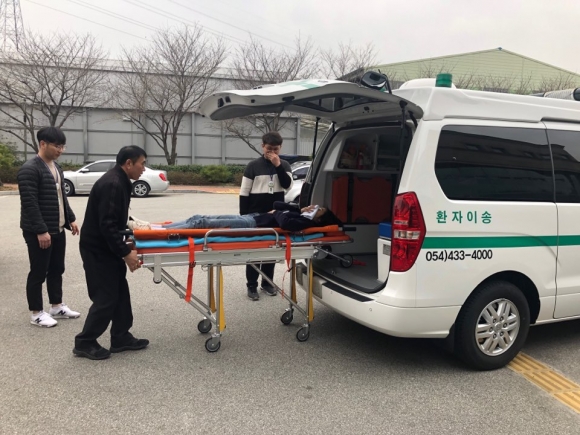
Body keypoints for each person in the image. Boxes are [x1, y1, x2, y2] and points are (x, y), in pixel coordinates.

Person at [73, 145, 149, 360]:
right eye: (142, 163)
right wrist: (126, 253)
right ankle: (85, 342)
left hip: (107, 247)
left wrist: (131, 230)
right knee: (106, 297)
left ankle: (121, 337)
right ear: (129, 163)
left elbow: (115, 218)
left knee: (120, 293)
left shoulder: (120, 180)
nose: (144, 168)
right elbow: (107, 224)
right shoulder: (113, 183)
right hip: (97, 249)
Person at [17, 126, 81, 328]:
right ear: (43, 144)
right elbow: (30, 203)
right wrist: (41, 231)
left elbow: (62, 197)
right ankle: (36, 313)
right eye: (57, 146)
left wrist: (70, 219)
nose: (60, 150)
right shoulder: (30, 169)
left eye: (63, 146)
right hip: (39, 231)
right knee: (38, 272)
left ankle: (56, 306)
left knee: (57, 269)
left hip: (57, 228)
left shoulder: (56, 167)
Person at [239, 131, 293, 300]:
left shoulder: (284, 165)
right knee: (254, 250)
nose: (272, 152)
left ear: (280, 148)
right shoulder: (253, 166)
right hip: (255, 214)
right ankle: (251, 285)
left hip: (275, 215)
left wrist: (278, 165)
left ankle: (267, 283)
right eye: (269, 149)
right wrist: (244, 216)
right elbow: (244, 192)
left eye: (276, 149)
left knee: (271, 249)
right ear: (262, 146)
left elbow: (287, 186)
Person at [130, 202, 341, 232]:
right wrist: (300, 207)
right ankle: (153, 226)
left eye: (318, 210)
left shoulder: (305, 222)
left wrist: (277, 214)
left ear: (319, 219)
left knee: (202, 223)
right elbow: (277, 205)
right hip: (252, 216)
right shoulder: (301, 213)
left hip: (252, 224)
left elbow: (286, 224)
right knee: (198, 216)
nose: (315, 208)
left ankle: (154, 230)